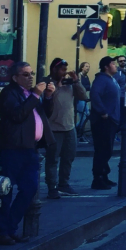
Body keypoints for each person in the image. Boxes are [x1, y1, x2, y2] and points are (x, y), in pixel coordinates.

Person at [0, 62, 55, 244]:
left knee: (29, 188)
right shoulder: (8, 94)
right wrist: (36, 94)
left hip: (30, 148)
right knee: (6, 190)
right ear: (15, 78)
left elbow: (45, 115)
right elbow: (17, 115)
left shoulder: (30, 94)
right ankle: (3, 231)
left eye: (32, 74)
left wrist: (48, 97)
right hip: (13, 148)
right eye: (25, 75)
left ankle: (11, 226)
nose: (30, 78)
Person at [41, 58, 88, 199]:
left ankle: (64, 184)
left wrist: (76, 81)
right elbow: (46, 102)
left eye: (66, 70)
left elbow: (83, 96)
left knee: (69, 157)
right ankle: (52, 186)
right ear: (54, 69)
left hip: (69, 127)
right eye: (62, 69)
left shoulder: (69, 84)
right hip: (54, 127)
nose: (64, 73)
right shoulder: (47, 83)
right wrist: (57, 88)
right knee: (52, 159)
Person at [90, 57, 121, 190]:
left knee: (107, 149)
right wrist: (102, 112)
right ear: (106, 66)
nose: (116, 66)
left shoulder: (111, 80)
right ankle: (98, 178)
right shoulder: (101, 80)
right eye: (113, 64)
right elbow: (94, 94)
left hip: (111, 119)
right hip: (103, 121)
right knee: (102, 150)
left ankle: (104, 175)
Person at [74, 62, 91, 143]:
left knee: (86, 116)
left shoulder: (86, 76)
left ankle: (77, 132)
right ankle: (78, 134)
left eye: (89, 66)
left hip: (85, 98)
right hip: (80, 99)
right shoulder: (79, 76)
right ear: (82, 67)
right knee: (83, 117)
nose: (88, 68)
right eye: (86, 66)